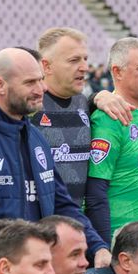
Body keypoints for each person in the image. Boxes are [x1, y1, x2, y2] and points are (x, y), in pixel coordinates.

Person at [0, 47, 109, 264]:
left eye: (41, 80)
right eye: (30, 82)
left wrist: (97, 247)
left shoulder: (36, 139)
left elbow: (62, 205)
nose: (42, 89)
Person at [85, 38, 138, 242]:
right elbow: (95, 193)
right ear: (117, 71)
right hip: (119, 246)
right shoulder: (109, 119)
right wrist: (102, 249)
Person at [33, 28, 96, 206]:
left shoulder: (84, 103)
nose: (84, 67)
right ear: (46, 66)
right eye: (74, 60)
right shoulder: (28, 107)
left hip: (78, 223)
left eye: (85, 59)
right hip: (42, 226)